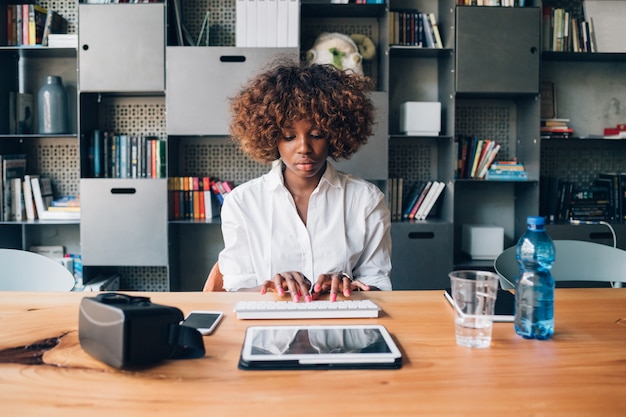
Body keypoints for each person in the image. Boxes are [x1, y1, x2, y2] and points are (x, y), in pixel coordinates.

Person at [217, 59, 392, 301]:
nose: (304, 148)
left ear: (335, 134)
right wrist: (272, 287)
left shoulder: (366, 200)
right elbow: (235, 289)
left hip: (342, 329)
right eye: (289, 136)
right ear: (270, 137)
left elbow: (379, 284)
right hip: (270, 332)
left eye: (317, 134)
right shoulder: (242, 203)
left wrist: (349, 285)